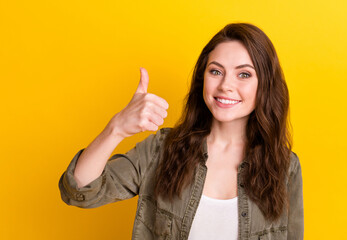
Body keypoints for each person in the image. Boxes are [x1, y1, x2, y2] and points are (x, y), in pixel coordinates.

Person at [59, 22, 304, 240]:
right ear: (202, 79)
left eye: (244, 74)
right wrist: (116, 129)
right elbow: (80, 191)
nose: (226, 85)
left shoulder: (285, 166)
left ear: (265, 85)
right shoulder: (162, 149)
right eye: (216, 71)